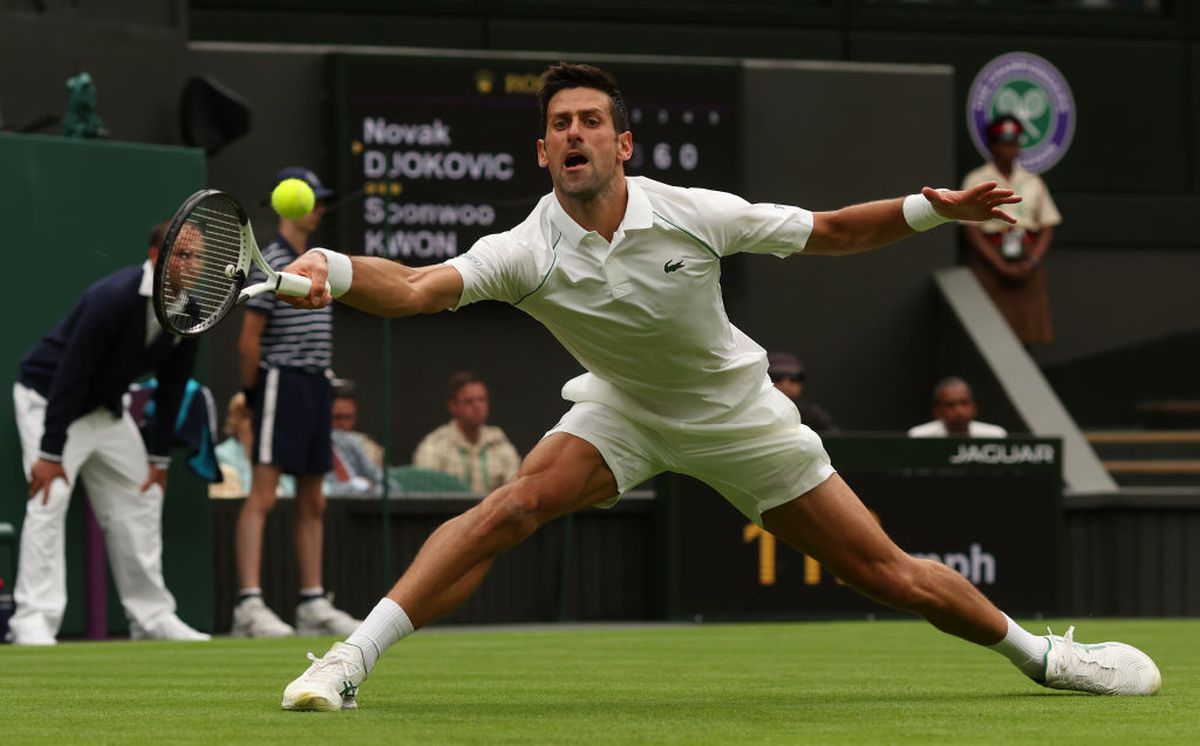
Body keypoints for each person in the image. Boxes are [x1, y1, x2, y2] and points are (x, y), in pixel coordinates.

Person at [279, 63, 1159, 709]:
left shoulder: (694, 213)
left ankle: (1042, 657)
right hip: (622, 410)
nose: (576, 133)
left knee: (886, 573)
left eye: (592, 120)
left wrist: (932, 209)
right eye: (561, 123)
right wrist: (343, 271)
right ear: (542, 149)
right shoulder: (525, 249)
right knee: (511, 507)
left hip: (739, 417)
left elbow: (830, 233)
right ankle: (348, 662)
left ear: (622, 144)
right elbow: (420, 287)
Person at [7, 220, 209, 644]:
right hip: (49, 398)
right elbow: (72, 373)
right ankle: (34, 620)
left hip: (104, 408)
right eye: (184, 255)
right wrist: (50, 451)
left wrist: (157, 459)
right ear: (157, 258)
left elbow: (172, 387)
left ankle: (151, 617)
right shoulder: (112, 298)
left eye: (199, 256)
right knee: (50, 496)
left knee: (143, 493)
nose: (194, 265)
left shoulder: (189, 313)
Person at [232, 166, 360, 638]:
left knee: (313, 500)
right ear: (294, 204)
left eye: (324, 199)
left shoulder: (314, 261)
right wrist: (254, 394)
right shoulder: (273, 258)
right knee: (263, 494)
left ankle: (311, 601)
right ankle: (249, 604)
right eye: (316, 199)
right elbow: (249, 342)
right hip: (280, 382)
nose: (322, 208)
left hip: (315, 384)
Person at [961, 115, 1062, 346]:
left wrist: (1033, 261)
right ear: (991, 145)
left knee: (1029, 333)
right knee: (990, 335)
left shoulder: (1032, 180)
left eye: (1014, 142)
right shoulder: (976, 179)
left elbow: (1047, 225)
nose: (1010, 149)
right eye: (1004, 143)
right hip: (992, 259)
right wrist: (999, 265)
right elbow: (972, 230)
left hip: (1027, 259)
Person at [412, 371, 522, 493]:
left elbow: (516, 490)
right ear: (453, 406)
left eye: (482, 399)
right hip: (450, 512)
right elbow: (424, 494)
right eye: (469, 401)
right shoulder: (434, 446)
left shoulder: (499, 443)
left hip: (493, 511)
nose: (477, 406)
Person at [210, 392, 295, 498]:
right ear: (236, 421)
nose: (256, 424)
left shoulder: (287, 455)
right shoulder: (219, 456)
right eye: (248, 417)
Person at [326, 379, 387, 496]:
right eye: (337, 418)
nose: (343, 425)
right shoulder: (304, 448)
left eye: (349, 418)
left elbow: (390, 488)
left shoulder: (355, 444)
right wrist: (357, 487)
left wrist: (369, 489)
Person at [908, 377, 1008, 438]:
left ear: (974, 406)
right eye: (950, 405)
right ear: (937, 411)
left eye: (964, 403)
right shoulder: (919, 437)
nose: (959, 411)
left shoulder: (995, 436)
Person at [767, 352, 838, 434]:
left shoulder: (814, 417)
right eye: (777, 377)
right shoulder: (754, 413)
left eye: (794, 378)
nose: (786, 384)